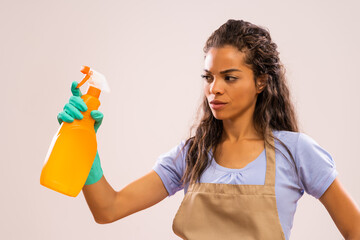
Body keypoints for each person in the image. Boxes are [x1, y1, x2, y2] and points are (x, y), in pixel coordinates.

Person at [57, 19, 360, 239]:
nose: (214, 89)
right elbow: (108, 209)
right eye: (208, 77)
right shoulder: (192, 155)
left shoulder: (295, 152)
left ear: (261, 82)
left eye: (229, 77)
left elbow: (354, 228)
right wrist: (84, 143)